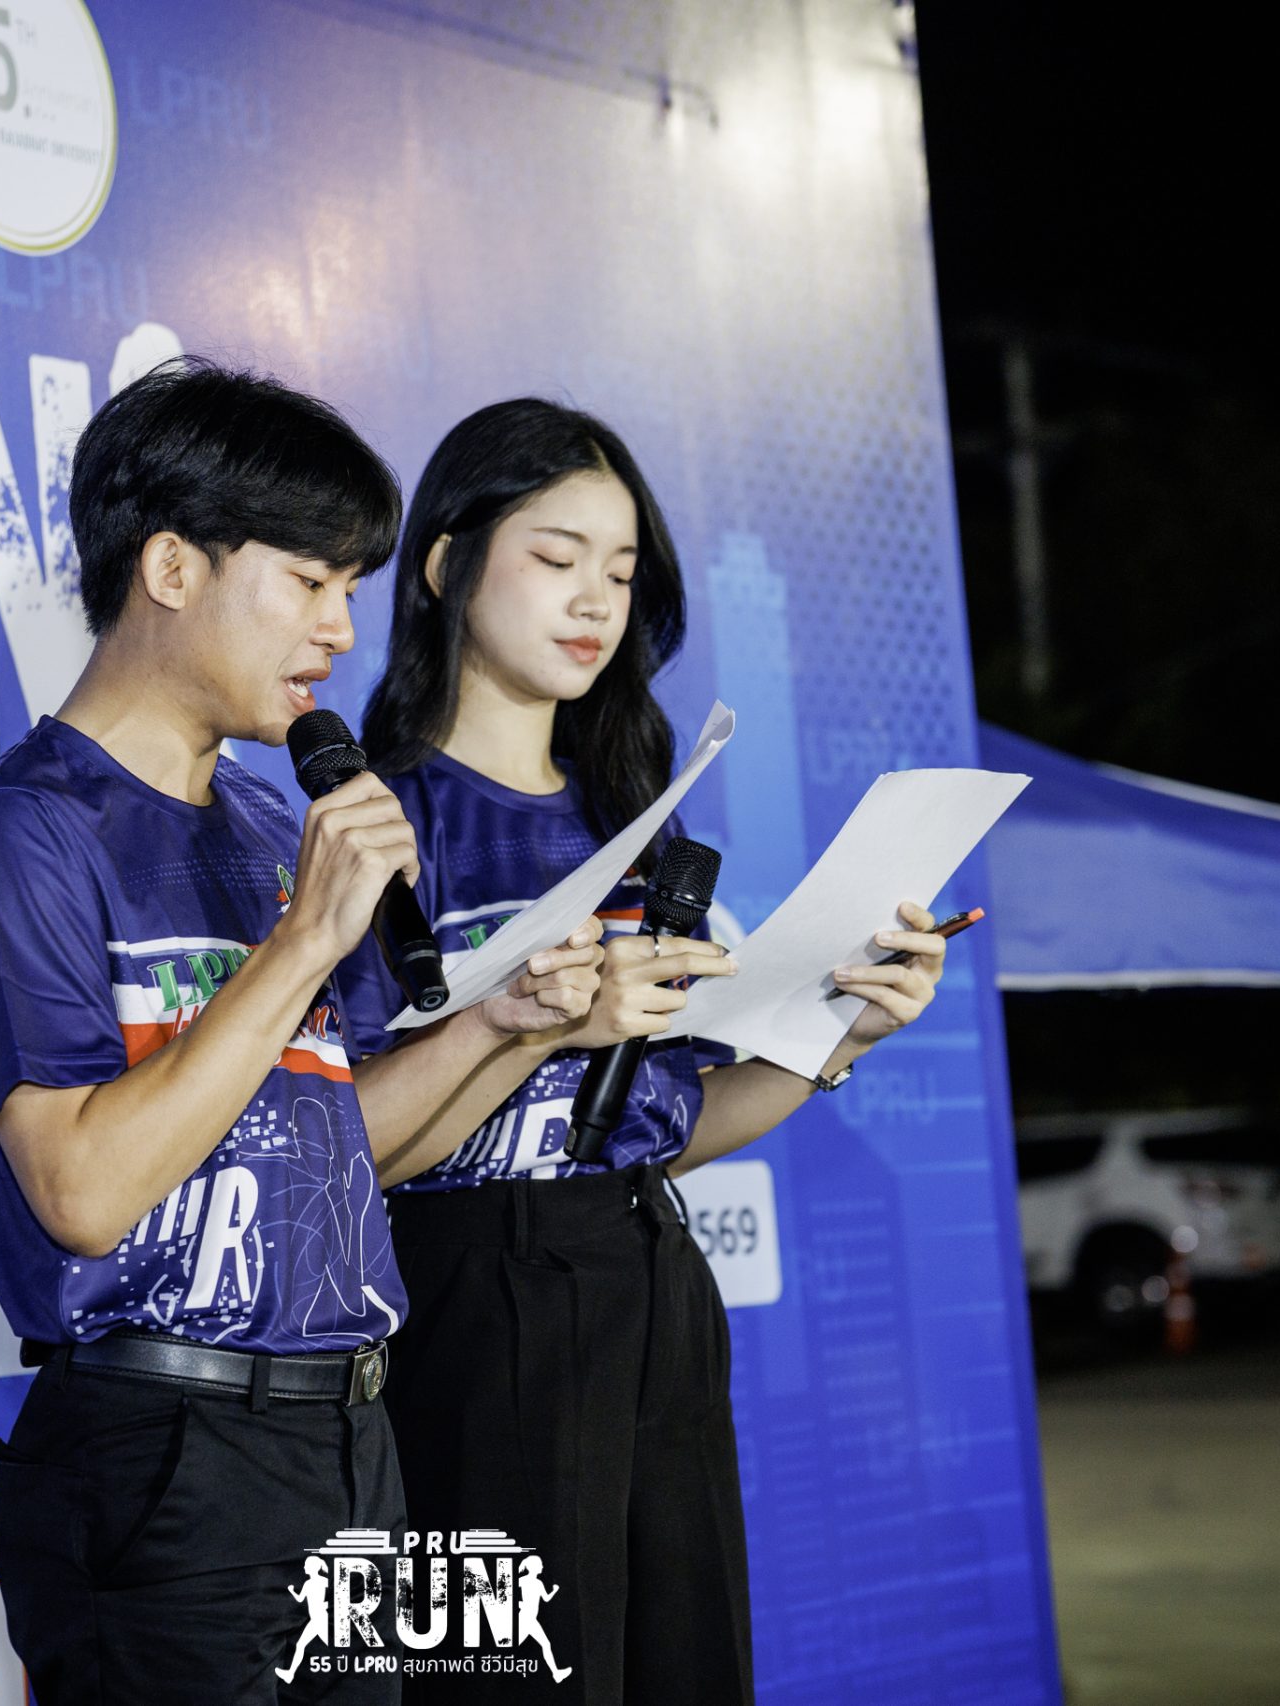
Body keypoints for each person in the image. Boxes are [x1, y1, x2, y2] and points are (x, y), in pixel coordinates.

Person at [0, 361, 607, 1705]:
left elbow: (343, 1152)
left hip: (350, 1439)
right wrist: (298, 945)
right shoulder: (29, 831)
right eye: (308, 582)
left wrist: (504, 1029)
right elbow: (81, 1191)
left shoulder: (264, 819)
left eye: (351, 589)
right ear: (173, 567)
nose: (340, 630)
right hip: (164, 1452)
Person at [338, 398, 952, 1703]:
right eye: (556, 557)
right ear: (445, 564)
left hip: (650, 1278)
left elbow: (660, 1129)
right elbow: (345, 1153)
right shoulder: (378, 826)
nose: (594, 601)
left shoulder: (635, 820)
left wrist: (835, 1033)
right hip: (463, 1302)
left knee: (685, 1660)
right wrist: (534, 1022)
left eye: (620, 573)